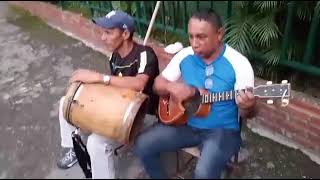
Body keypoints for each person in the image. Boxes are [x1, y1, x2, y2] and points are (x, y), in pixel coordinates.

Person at [134, 8, 256, 179]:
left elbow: (248, 114)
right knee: (143, 144)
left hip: (223, 131)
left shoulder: (239, 64)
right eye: (191, 36)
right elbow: (157, 84)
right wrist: (173, 88)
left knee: (203, 173)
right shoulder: (185, 55)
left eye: (201, 37)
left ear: (219, 34)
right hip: (186, 124)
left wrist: (248, 107)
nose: (194, 43)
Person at [56, 10, 159, 179]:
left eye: (108, 33)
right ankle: (75, 149)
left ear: (125, 34)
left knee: (96, 142)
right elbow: (113, 86)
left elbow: (139, 83)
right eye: (103, 32)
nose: (103, 37)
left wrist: (97, 77)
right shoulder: (115, 57)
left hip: (143, 116)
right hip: (118, 109)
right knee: (66, 102)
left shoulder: (145, 54)